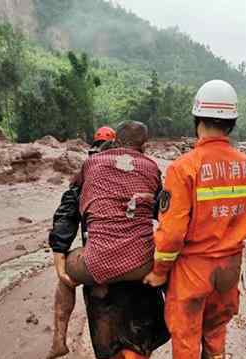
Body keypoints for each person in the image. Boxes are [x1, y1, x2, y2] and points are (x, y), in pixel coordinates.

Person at [143, 80, 246, 359]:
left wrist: (159, 271)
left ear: (197, 118)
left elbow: (171, 234)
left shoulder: (183, 168)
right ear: (231, 122)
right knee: (216, 334)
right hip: (229, 269)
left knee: (186, 340)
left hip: (193, 272)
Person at [48, 121, 168, 359]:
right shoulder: (151, 168)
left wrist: (59, 255)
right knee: (173, 275)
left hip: (96, 263)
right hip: (142, 262)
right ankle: (185, 324)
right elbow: (163, 213)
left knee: (64, 276)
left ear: (112, 142)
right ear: (143, 146)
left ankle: (59, 339)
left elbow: (68, 210)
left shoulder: (89, 165)